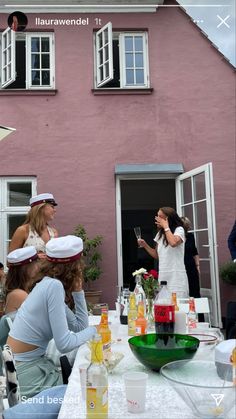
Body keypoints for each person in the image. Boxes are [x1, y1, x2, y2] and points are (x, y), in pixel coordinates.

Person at [6, 235, 97, 398]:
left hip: (24, 368)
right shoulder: (53, 286)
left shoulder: (48, 284)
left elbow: (79, 327)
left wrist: (78, 291)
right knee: (84, 391)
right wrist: (95, 330)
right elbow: (64, 344)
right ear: (74, 266)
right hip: (27, 373)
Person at [138, 207, 189, 297]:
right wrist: (145, 245)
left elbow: (173, 243)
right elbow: (157, 255)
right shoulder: (160, 234)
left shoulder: (179, 230)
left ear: (168, 219)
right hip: (163, 276)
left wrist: (166, 226)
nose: (157, 219)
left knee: (177, 306)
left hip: (176, 276)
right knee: (164, 305)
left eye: (160, 217)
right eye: (157, 216)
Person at [0, 247, 39, 348]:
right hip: (22, 352)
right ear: (27, 268)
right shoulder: (19, 295)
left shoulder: (18, 291)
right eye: (36, 262)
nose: (38, 266)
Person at [9, 193, 58, 259]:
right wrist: (34, 257)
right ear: (41, 208)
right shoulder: (23, 230)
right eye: (52, 207)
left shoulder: (54, 232)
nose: (55, 210)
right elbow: (10, 260)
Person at [181, 217, 201, 298]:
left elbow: (195, 252)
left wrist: (197, 266)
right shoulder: (176, 238)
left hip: (191, 266)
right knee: (183, 289)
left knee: (194, 290)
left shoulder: (190, 236)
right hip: (181, 266)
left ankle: (196, 310)